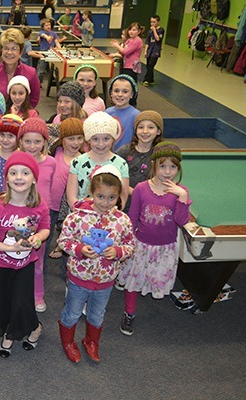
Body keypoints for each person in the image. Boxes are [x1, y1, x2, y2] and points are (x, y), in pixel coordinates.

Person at [58, 165, 135, 363]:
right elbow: (63, 241)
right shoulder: (77, 217)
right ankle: (68, 342)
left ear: (119, 196)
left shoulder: (122, 220)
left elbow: (130, 244)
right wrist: (79, 250)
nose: (106, 202)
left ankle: (91, 342)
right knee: (72, 313)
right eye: (100, 196)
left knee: (97, 315)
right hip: (79, 279)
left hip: (105, 280)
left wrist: (118, 252)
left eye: (112, 198)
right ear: (92, 192)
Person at [0, 151, 50, 358]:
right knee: (4, 302)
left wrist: (38, 238)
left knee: (21, 302)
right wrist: (9, 248)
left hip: (25, 265)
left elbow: (45, 228)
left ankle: (25, 331)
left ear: (34, 178)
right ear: (7, 178)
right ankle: (18, 330)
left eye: (25, 173)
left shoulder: (39, 205)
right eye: (13, 173)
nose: (19, 177)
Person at [118, 142, 190, 336]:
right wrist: (128, 242)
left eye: (173, 167)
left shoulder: (180, 192)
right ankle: (129, 312)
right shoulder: (141, 188)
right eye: (163, 166)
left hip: (165, 248)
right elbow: (133, 217)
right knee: (133, 281)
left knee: (154, 278)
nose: (167, 171)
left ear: (178, 168)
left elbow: (181, 220)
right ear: (154, 165)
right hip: (141, 245)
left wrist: (182, 197)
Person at [17, 118, 56, 313]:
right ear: (21, 141)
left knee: (37, 260)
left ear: (45, 142)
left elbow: (50, 190)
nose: (32, 146)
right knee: (16, 255)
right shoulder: (15, 161)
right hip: (18, 217)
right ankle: (16, 292)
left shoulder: (51, 162)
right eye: (28, 141)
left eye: (37, 141)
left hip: (40, 218)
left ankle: (37, 294)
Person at [67, 112, 130, 212]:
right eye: (95, 139)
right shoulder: (77, 162)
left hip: (109, 218)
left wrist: (107, 215)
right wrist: (86, 215)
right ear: (88, 140)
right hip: (81, 217)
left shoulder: (121, 164)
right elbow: (71, 197)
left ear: (113, 139)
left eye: (106, 139)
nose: (101, 144)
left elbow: (122, 197)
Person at [47, 118, 84, 261]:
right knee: (46, 237)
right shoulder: (56, 149)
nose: (76, 143)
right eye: (71, 138)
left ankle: (66, 272)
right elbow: (46, 129)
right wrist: (64, 128)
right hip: (50, 204)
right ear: (62, 139)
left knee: (68, 239)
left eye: (80, 138)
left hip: (67, 209)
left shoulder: (82, 160)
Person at [116, 111, 163, 212]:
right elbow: (114, 178)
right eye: (141, 127)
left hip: (149, 205)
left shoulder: (160, 154)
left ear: (158, 131)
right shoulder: (124, 151)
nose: (145, 131)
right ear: (135, 130)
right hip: (124, 204)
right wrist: (135, 192)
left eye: (150, 127)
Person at [0, 28, 41, 108]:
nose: (9, 52)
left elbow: (34, 100)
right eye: (6, 48)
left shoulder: (31, 73)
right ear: (1, 51)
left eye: (14, 48)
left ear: (20, 52)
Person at [110, 22, 143, 104]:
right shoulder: (129, 40)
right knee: (124, 82)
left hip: (132, 65)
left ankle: (132, 100)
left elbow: (126, 52)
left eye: (134, 30)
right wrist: (118, 45)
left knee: (132, 83)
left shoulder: (138, 41)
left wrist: (117, 46)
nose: (131, 32)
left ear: (138, 31)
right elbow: (122, 49)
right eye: (130, 30)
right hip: (126, 64)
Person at [105, 74, 140, 151]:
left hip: (127, 155)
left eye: (125, 91)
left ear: (132, 94)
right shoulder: (107, 113)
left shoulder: (136, 115)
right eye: (116, 91)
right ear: (111, 93)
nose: (120, 95)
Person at [36, 18, 62, 85]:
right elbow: (43, 36)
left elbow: (56, 42)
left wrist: (59, 48)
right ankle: (38, 83)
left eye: (49, 25)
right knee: (41, 70)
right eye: (46, 25)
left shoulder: (53, 33)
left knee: (53, 69)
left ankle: (56, 81)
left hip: (52, 53)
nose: (48, 26)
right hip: (43, 53)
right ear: (43, 27)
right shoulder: (41, 33)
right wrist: (47, 37)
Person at [143, 15, 164, 86]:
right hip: (150, 50)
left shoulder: (161, 30)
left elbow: (158, 39)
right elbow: (147, 42)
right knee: (148, 65)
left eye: (154, 22)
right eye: (151, 22)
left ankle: (146, 79)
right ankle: (151, 79)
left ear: (158, 22)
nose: (152, 24)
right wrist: (145, 51)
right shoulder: (149, 32)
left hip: (156, 51)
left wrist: (154, 30)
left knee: (150, 65)